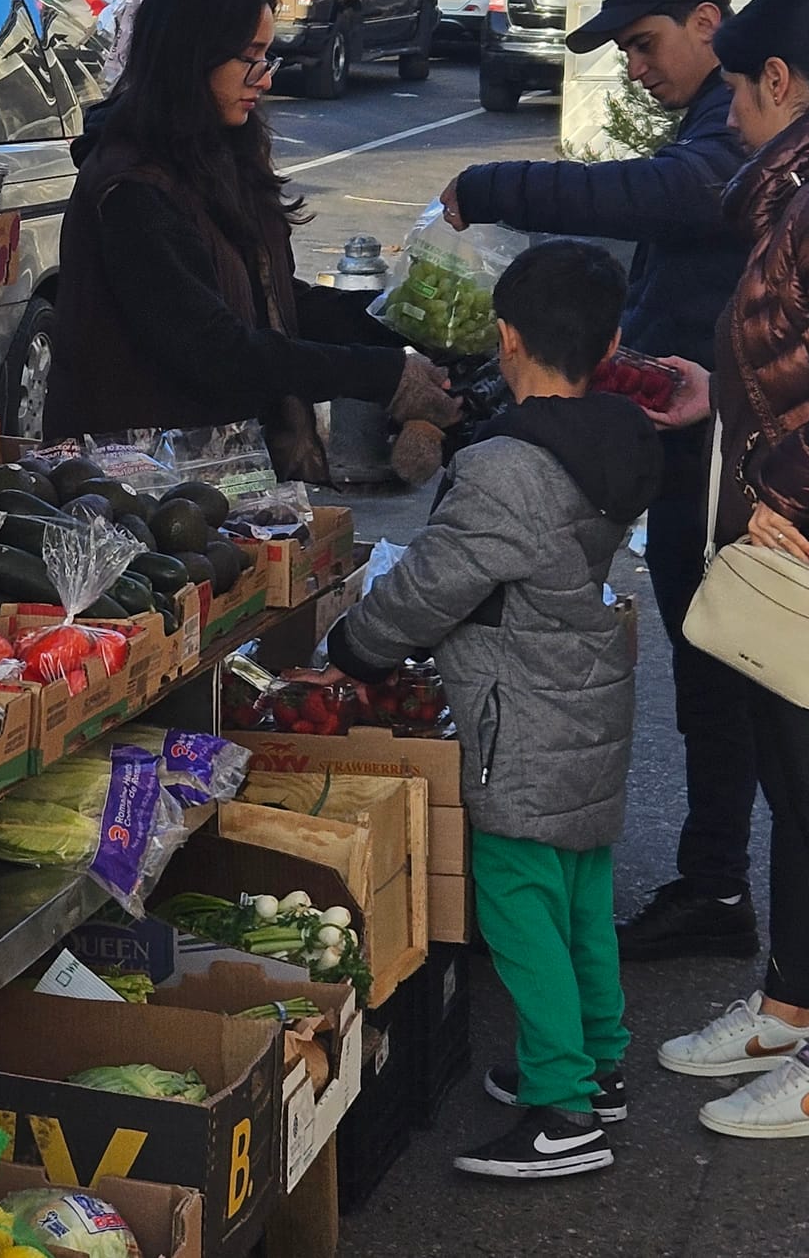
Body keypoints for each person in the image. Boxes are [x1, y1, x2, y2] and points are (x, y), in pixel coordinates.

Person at [439, 0, 759, 962]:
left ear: (707, 24)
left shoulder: (728, 133)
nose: (633, 65)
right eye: (623, 49)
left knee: (718, 678)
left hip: (723, 455)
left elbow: (662, 196)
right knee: (706, 673)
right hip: (688, 435)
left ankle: (719, 894)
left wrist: (494, 184)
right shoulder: (708, 117)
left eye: (643, 42)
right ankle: (713, 884)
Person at [321, 240, 663, 1178]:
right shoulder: (614, 437)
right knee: (580, 897)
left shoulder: (512, 467)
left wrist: (353, 645)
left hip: (523, 721)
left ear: (506, 340)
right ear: (611, 342)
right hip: (585, 706)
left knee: (518, 907)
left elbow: (432, 584)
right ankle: (599, 1061)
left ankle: (563, 1110)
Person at [643, 0, 809, 1139]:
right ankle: (792, 1005)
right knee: (801, 794)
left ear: (776, 84)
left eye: (735, 90)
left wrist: (779, 492)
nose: (729, 114)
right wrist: (720, 403)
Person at [45, 0, 457, 479]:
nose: (265, 79)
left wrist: (399, 317)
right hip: (133, 481)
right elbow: (215, 347)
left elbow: (275, 302)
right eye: (251, 57)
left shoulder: (220, 153)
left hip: (216, 468)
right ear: (192, 57)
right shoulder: (130, 189)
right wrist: (381, 375)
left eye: (270, 57)